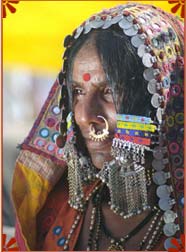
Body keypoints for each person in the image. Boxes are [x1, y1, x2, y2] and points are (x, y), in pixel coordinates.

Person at [12, 2, 184, 251]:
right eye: (78, 92)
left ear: (164, 98)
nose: (83, 116)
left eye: (109, 91)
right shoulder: (53, 207)